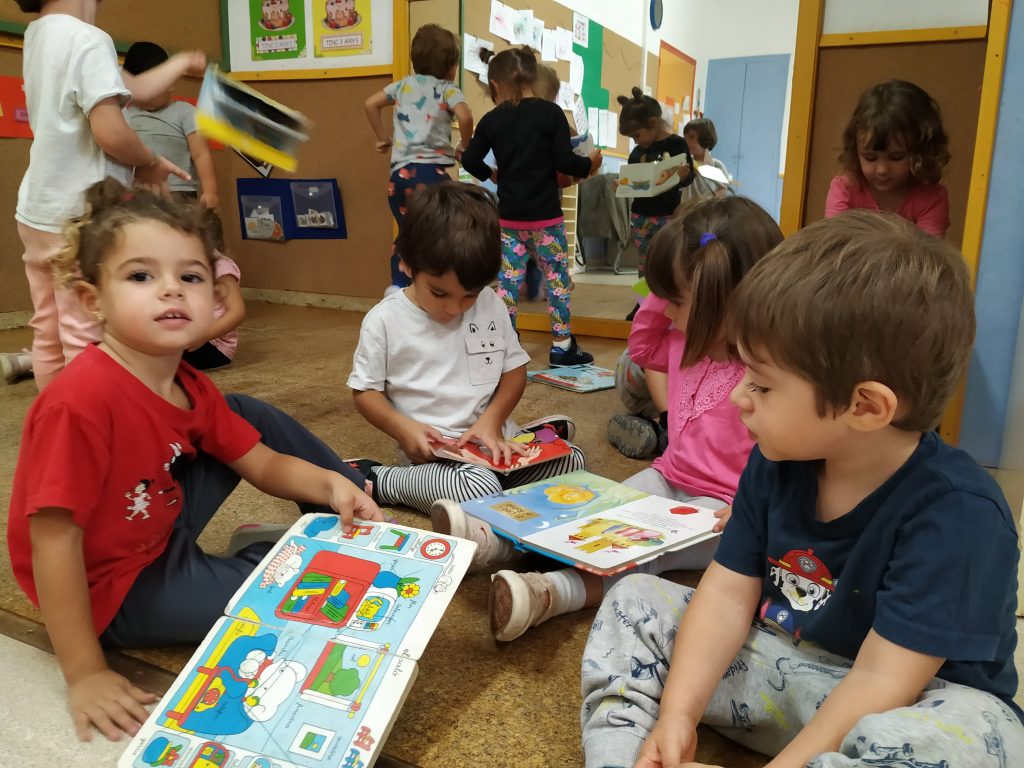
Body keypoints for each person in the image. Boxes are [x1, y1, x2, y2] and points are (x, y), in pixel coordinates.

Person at [581, 211, 1022, 768]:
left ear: (866, 407)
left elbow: (883, 680)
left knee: (983, 735)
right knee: (636, 600)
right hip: (786, 675)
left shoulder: (960, 515)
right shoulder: (776, 460)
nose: (739, 397)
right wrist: (677, 716)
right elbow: (726, 594)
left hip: (901, 704)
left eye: (762, 384)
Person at [7, 179, 382, 743]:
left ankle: (357, 517)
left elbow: (262, 463)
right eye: (140, 276)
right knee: (299, 599)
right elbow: (53, 542)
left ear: (217, 294)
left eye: (190, 277)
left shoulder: (189, 384)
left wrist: (331, 483)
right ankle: (285, 553)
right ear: (92, 301)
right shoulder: (79, 403)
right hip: (112, 589)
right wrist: (83, 673)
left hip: (155, 523)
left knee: (245, 413)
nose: (171, 290)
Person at [435, 196, 784, 642]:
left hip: (727, 508)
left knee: (640, 545)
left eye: (676, 301)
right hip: (669, 474)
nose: (666, 311)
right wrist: (660, 285)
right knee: (593, 507)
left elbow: (791, 459)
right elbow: (641, 347)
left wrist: (751, 508)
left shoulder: (767, 373)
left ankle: (551, 593)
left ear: (725, 303)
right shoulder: (684, 339)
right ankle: (494, 540)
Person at [347, 183, 586, 568]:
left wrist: (492, 421)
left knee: (572, 462)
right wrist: (403, 429)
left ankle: (522, 454)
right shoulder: (384, 321)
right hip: (434, 458)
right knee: (479, 486)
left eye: (469, 295)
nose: (456, 308)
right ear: (407, 264)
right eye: (439, 293)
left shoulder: (491, 304)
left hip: (492, 442)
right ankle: (379, 479)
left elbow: (514, 371)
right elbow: (365, 392)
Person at [12, 0, 204, 390]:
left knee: (49, 330)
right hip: (82, 217)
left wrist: (181, 62)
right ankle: (91, 419)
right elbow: (112, 133)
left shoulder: (40, 35)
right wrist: (149, 160)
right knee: (87, 332)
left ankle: (56, 416)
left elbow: (133, 88)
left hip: (39, 212)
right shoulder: (88, 39)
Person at [461, 46, 602, 367]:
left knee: (508, 284)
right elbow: (566, 163)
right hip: (546, 220)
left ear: (495, 84)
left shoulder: (492, 119)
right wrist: (589, 164)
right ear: (532, 76)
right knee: (557, 281)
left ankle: (507, 344)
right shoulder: (551, 114)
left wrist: (492, 174)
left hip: (509, 221)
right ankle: (562, 347)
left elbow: (469, 159)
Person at [364, 23, 473, 292]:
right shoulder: (448, 89)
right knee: (444, 230)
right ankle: (437, 285)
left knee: (407, 233)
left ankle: (399, 285)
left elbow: (370, 103)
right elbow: (465, 116)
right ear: (452, 67)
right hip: (432, 176)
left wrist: (382, 137)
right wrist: (465, 145)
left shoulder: (402, 86)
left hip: (399, 178)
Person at [825, 79, 951, 237]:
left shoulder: (931, 198)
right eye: (870, 157)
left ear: (922, 153)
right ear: (855, 152)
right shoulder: (845, 189)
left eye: (896, 157)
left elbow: (926, 251)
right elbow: (834, 244)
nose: (882, 170)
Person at [122, 41, 220, 208]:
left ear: (170, 83)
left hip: (180, 193)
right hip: (140, 193)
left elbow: (201, 154)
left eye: (152, 92)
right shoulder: (128, 114)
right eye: (139, 94)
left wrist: (211, 191)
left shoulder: (185, 112)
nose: (145, 98)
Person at [617, 88, 694, 291]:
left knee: (668, 261)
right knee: (644, 263)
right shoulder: (637, 152)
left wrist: (683, 176)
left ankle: (667, 300)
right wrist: (621, 184)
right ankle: (644, 302)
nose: (635, 141)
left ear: (652, 123)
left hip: (669, 216)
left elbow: (689, 177)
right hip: (641, 216)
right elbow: (632, 180)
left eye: (636, 135)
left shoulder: (677, 144)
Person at [182, 210, 244, 370]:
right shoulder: (186, 263)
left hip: (215, 344)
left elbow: (237, 311)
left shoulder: (221, 267)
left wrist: (203, 336)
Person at [680, 117, 731, 201]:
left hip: (708, 208)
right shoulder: (686, 164)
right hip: (687, 208)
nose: (686, 142)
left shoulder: (717, 165)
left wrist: (709, 199)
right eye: (685, 138)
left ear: (705, 139)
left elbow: (724, 190)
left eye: (691, 137)